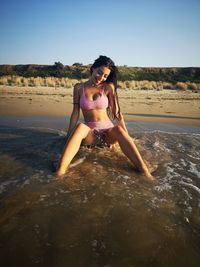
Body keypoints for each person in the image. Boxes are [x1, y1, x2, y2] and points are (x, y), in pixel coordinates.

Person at [56, 55, 154, 181]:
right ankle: (60, 171)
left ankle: (144, 171)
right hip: (90, 135)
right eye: (99, 73)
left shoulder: (108, 87)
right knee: (80, 126)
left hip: (108, 134)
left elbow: (117, 114)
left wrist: (127, 136)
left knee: (118, 130)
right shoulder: (79, 87)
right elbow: (75, 113)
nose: (101, 77)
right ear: (93, 68)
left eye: (105, 76)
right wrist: (69, 136)